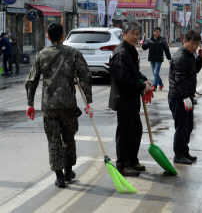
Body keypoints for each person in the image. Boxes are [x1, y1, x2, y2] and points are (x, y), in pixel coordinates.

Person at [25, 23, 93, 188]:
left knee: (54, 140)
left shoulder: (41, 55)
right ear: (63, 36)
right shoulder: (73, 53)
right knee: (68, 138)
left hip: (49, 105)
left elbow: (31, 81)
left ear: (48, 37)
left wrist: (30, 103)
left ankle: (60, 176)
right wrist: (88, 101)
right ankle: (69, 171)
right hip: (68, 104)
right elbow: (85, 75)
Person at [108, 21, 152, 177]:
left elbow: (134, 73)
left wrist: (144, 80)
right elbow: (123, 79)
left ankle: (132, 160)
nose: (135, 36)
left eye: (138, 34)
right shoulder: (121, 53)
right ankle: (122, 164)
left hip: (132, 98)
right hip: (123, 98)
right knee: (125, 132)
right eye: (132, 33)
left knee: (136, 130)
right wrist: (140, 87)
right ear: (124, 34)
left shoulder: (132, 51)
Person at [168, 30, 202, 165]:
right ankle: (178, 154)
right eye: (192, 43)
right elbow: (179, 81)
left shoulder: (189, 55)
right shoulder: (180, 57)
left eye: (197, 44)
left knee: (188, 127)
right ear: (185, 41)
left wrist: (200, 58)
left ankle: (185, 151)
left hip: (186, 97)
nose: (194, 46)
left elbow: (194, 69)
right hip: (179, 98)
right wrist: (186, 98)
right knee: (181, 127)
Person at [142, 27, 172, 91]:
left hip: (159, 59)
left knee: (155, 72)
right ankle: (161, 84)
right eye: (156, 32)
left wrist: (169, 59)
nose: (157, 33)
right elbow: (144, 48)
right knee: (155, 73)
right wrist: (142, 44)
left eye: (158, 32)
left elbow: (166, 50)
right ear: (153, 32)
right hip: (152, 59)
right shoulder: (149, 40)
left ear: (160, 33)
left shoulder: (163, 40)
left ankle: (154, 86)